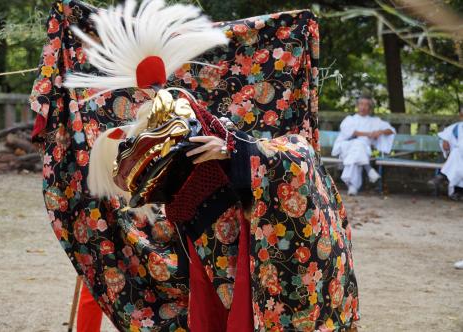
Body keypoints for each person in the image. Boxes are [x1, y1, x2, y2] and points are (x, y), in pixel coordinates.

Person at [31, 1, 359, 330]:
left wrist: (233, 151)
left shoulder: (204, 123)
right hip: (201, 238)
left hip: (233, 230)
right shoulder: (137, 138)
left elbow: (297, 154)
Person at [332, 95, 396, 195]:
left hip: (359, 151)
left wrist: (380, 132)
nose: (363, 107)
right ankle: (368, 169)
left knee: (358, 149)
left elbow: (391, 130)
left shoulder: (374, 121)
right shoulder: (350, 119)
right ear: (357, 106)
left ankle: (352, 186)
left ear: (370, 108)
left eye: (366, 105)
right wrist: (369, 134)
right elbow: (352, 132)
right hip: (346, 147)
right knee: (358, 145)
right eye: (361, 104)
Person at [437, 108, 463, 201]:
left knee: (457, 152)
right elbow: (444, 136)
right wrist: (444, 141)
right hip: (457, 158)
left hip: (456, 157)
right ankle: (458, 192)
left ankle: (443, 175)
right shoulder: (455, 127)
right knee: (457, 155)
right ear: (461, 116)